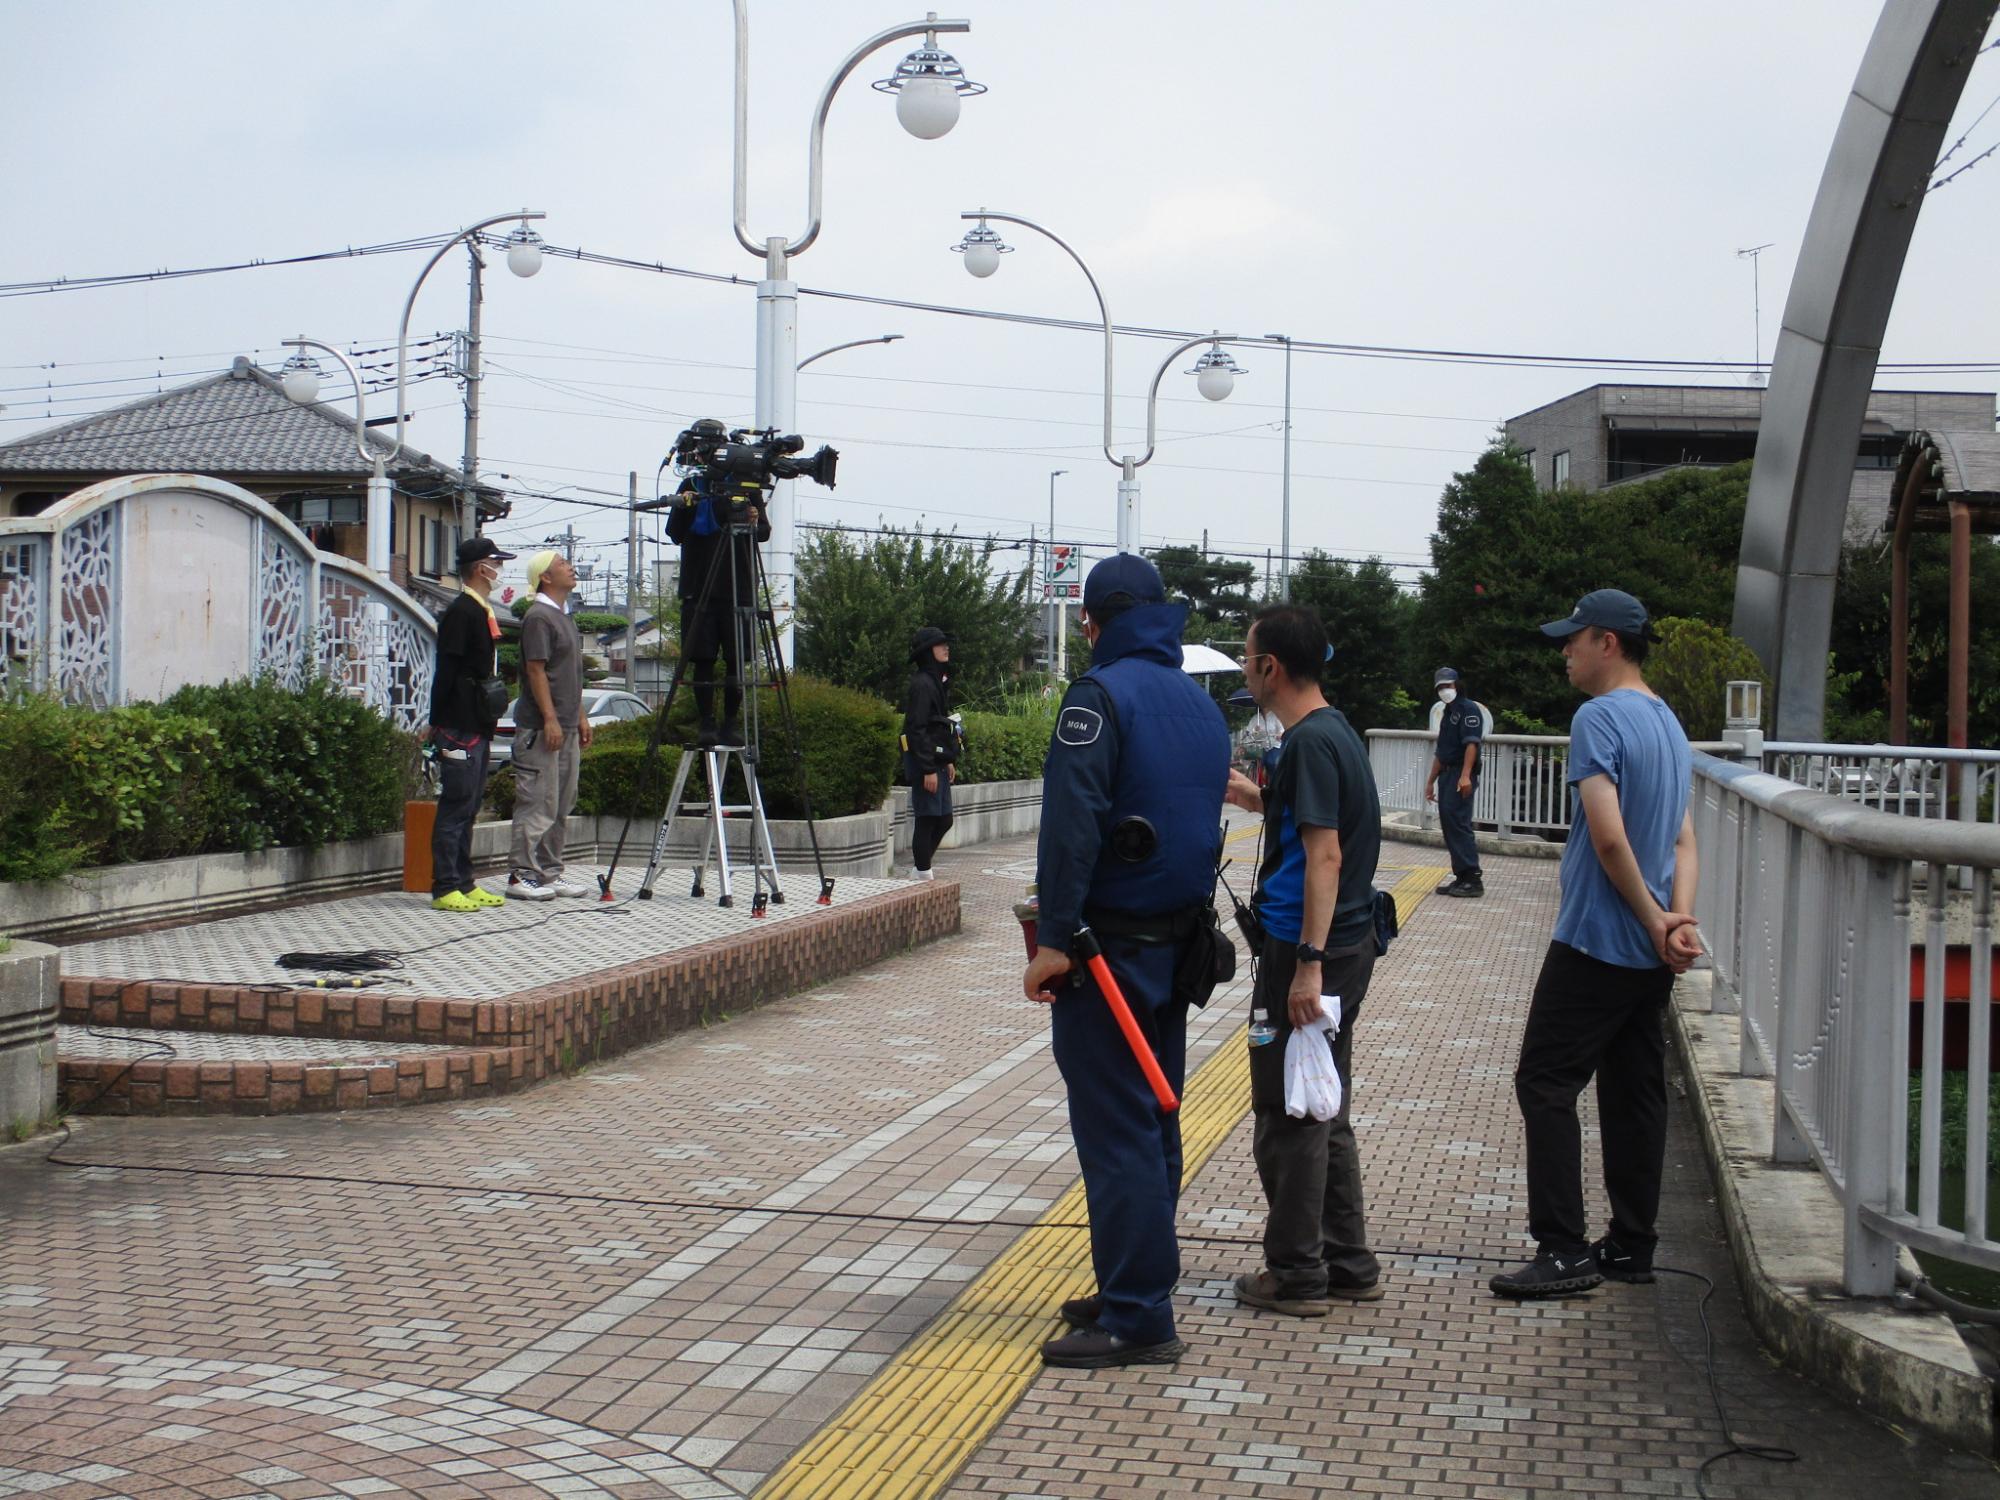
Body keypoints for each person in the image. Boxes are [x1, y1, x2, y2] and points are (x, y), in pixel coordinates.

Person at [1022, 554, 1230, 1369]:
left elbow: (1072, 830)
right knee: (1155, 1119)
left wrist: (1051, 941)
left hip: (1104, 955)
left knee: (1117, 1135)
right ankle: (1130, 1282)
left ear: (1094, 620)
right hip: (1174, 951)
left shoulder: (1098, 699)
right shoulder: (1198, 704)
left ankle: (1141, 1315)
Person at [1490, 589, 1702, 1299]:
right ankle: (1632, 1247)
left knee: (1545, 1083)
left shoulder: (1598, 717)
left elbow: (1608, 836)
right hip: (1651, 949)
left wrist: (1647, 920)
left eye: (1573, 638)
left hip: (1598, 940)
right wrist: (1678, 921)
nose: (1565, 651)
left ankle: (1562, 1249)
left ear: (1607, 642)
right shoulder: (1668, 722)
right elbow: (1682, 837)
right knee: (1634, 1091)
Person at [1222, 604, 1384, 1315]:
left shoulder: (1310, 744)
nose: (1244, 669)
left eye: (1247, 657)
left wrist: (1308, 967)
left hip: (1308, 950)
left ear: (1271, 668)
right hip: (1345, 942)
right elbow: (1308, 825)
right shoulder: (1333, 732)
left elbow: (1326, 853)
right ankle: (1347, 1260)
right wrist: (1252, 797)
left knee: (1286, 1111)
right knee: (1323, 1102)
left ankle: (1295, 1273)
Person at [424, 536, 515, 912]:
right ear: (481, 568)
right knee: (456, 804)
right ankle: (445, 886)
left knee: (472, 804)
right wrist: (436, 723)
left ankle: (464, 880)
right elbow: (446, 670)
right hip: (457, 725)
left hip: (477, 723)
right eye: (497, 562)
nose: (500, 570)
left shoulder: (482, 611)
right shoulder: (462, 612)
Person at [508, 550, 592, 900]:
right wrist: (550, 718)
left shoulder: (564, 616)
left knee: (560, 803)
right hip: (542, 727)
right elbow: (535, 670)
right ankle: (521, 875)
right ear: (544, 576)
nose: (570, 567)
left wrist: (581, 716)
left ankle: (550, 872)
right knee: (537, 800)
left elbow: (571, 673)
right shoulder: (538, 617)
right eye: (561, 564)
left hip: (566, 724)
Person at [665, 475, 771, 748]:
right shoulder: (694, 483)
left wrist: (753, 518)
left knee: (738, 660)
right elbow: (674, 532)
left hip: (739, 586)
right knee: (703, 660)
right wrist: (687, 506)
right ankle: (707, 723)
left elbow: (763, 532)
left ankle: (731, 723)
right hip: (699, 587)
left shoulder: (746, 486)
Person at [901, 625, 958, 881]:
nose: (946, 647)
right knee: (927, 818)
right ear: (927, 651)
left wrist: (947, 760)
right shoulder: (922, 684)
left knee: (944, 819)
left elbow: (938, 726)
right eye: (939, 644)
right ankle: (922, 873)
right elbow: (916, 729)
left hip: (937, 759)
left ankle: (920, 870)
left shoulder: (936, 681)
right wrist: (926, 768)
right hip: (925, 761)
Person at [1425, 666, 1486, 897]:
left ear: (1457, 685)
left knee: (1459, 823)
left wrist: (1465, 775)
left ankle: (1472, 878)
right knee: (1450, 824)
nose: (1444, 690)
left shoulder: (1468, 709)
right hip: (1446, 773)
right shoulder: (1447, 713)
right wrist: (1430, 781)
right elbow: (1442, 752)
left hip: (1461, 772)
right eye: (1440, 687)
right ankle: (1461, 876)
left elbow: (1472, 743)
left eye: (1448, 686)